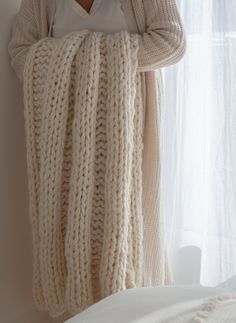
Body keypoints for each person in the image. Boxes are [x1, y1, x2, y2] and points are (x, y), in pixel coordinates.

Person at [8, 0, 186, 288]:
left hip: (129, 132)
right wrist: (95, 57)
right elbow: (20, 52)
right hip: (63, 141)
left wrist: (88, 57)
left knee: (132, 230)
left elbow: (171, 40)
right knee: (69, 231)